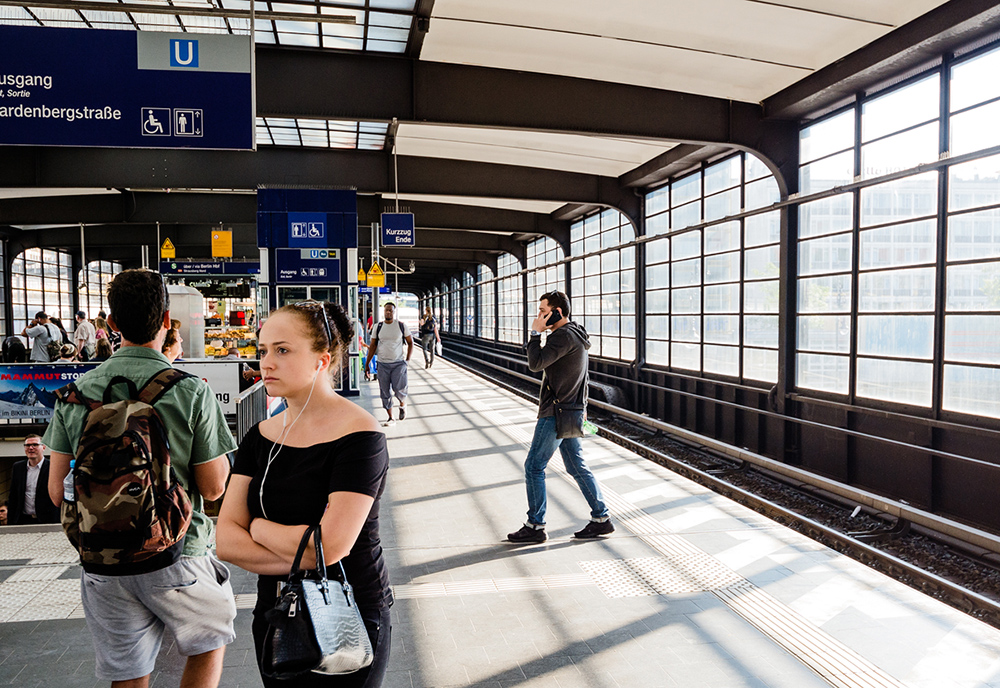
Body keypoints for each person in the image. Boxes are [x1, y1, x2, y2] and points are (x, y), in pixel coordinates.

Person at [44, 269, 237, 688]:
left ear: (111, 324)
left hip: (103, 559)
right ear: (167, 320)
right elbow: (213, 487)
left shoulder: (77, 393)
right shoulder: (190, 391)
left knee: (127, 673)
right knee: (209, 643)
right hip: (180, 549)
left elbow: (54, 489)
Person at [217, 300, 393, 688]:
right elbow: (226, 541)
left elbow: (330, 547)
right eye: (262, 350)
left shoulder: (361, 437)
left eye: (282, 350)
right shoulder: (259, 437)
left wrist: (259, 529)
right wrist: (305, 552)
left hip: (348, 613)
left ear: (321, 359)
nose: (266, 362)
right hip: (277, 611)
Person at [507, 291, 613, 543]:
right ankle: (601, 518)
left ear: (558, 312)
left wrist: (534, 334)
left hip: (556, 412)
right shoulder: (575, 334)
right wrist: (582, 407)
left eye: (543, 311)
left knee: (534, 467)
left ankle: (535, 526)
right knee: (577, 466)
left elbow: (535, 363)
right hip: (571, 411)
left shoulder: (563, 336)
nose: (539, 316)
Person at [364, 302, 413, 427]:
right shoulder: (378, 327)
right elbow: (373, 346)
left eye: (391, 310)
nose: (388, 312)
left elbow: (410, 342)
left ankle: (402, 404)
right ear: (383, 311)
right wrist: (368, 363)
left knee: (399, 390)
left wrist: (407, 360)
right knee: (384, 392)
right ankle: (391, 417)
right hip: (382, 364)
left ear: (394, 312)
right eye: (386, 310)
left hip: (398, 364)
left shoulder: (401, 326)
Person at [8, 435, 60, 525]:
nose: (31, 448)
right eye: (27, 445)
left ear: (43, 447)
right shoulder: (18, 467)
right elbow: (13, 496)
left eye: (35, 445)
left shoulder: (53, 467)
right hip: (23, 520)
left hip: (48, 520)